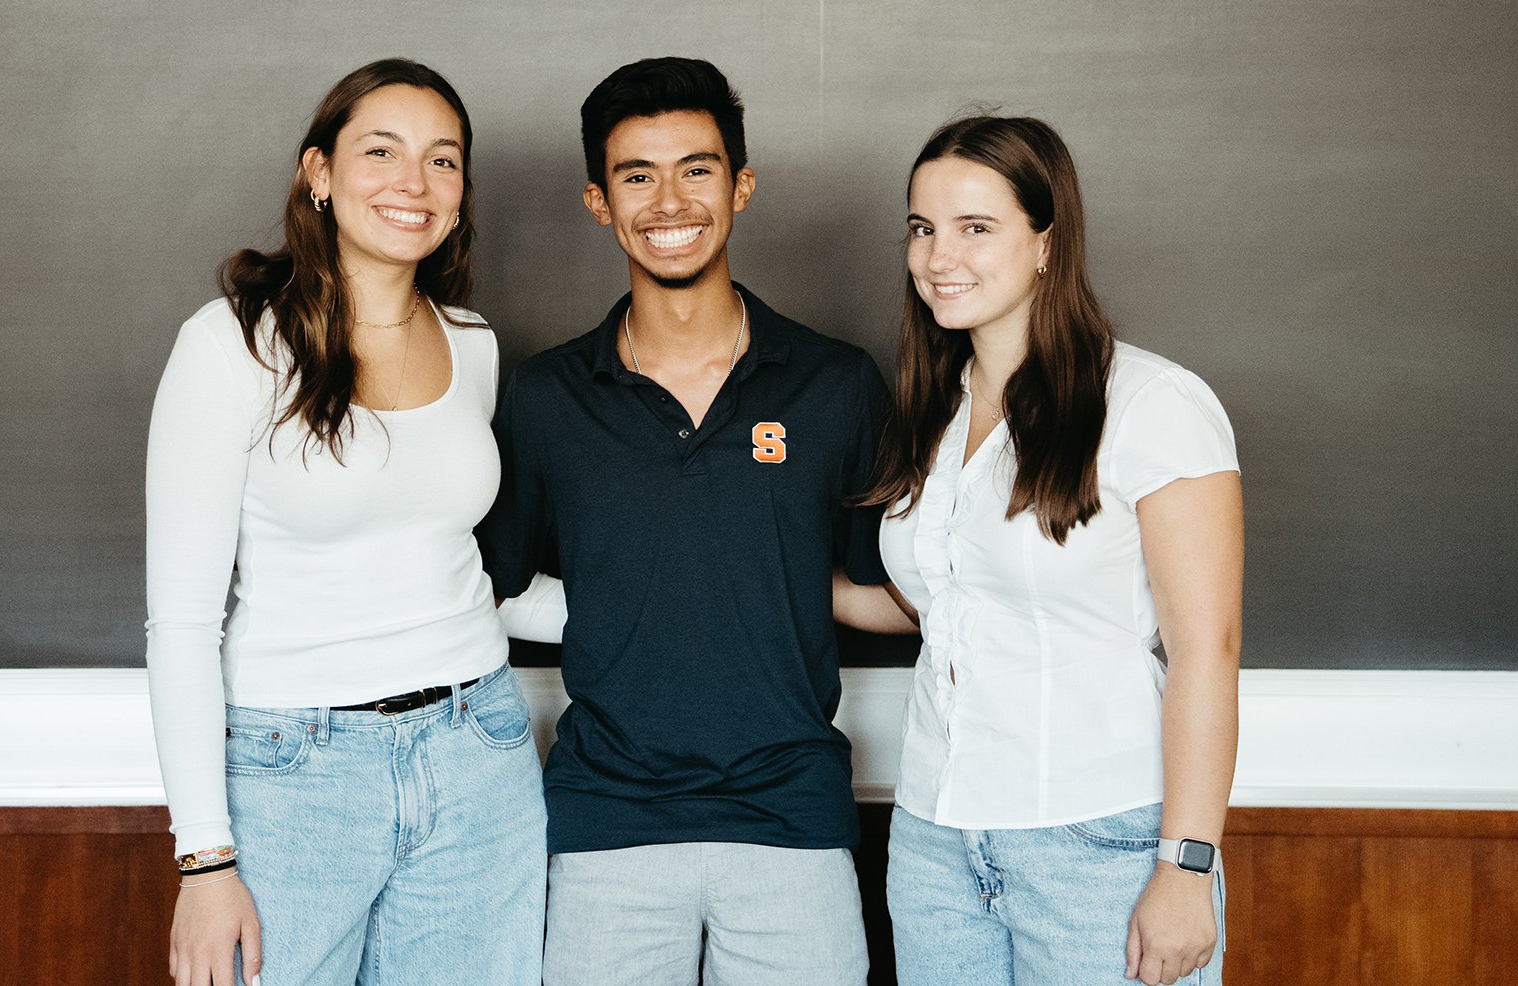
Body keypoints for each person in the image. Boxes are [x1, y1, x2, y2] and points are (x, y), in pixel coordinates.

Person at [476, 57, 887, 986]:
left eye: (697, 169)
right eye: (637, 175)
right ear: (598, 201)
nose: (671, 201)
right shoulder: (545, 399)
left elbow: (883, 592)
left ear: (740, 185)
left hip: (794, 819)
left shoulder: (839, 384)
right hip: (605, 822)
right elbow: (486, 588)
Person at [144, 59, 546, 986]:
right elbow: (182, 625)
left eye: (443, 161)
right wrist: (206, 861)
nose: (415, 183)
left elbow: (457, 568)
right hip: (294, 776)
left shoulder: (474, 345)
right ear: (318, 173)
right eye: (381, 151)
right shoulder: (232, 345)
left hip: (479, 750)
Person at [833, 115, 1240, 985]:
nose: (941, 257)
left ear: (1047, 242)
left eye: (976, 228)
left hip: (1100, 844)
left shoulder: (1151, 404)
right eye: (923, 228)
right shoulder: (932, 409)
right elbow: (938, 603)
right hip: (935, 842)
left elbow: (1210, 649)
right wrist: (744, 568)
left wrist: (1187, 866)